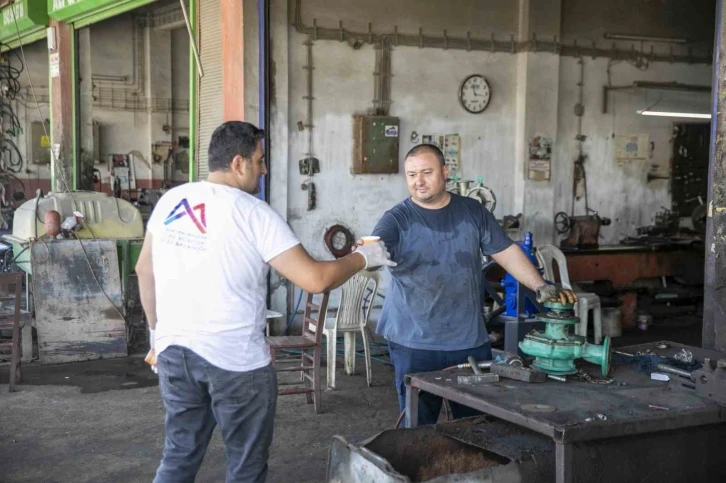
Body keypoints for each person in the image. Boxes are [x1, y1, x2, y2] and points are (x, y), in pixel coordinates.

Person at [135, 121, 395, 483]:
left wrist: (155, 334)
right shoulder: (253, 212)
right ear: (239, 163)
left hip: (174, 352)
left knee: (179, 455)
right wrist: (365, 258)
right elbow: (316, 279)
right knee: (246, 466)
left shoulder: (171, 200)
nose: (265, 168)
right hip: (234, 362)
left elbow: (144, 270)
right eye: (260, 160)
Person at [371, 144, 575, 427]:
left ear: (445, 172)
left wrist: (540, 285)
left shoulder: (472, 211)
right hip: (413, 342)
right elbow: (372, 248)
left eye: (427, 172)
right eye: (412, 174)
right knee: (417, 428)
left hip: (467, 340)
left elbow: (505, 251)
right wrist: (367, 255)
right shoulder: (397, 218)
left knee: (475, 425)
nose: (418, 181)